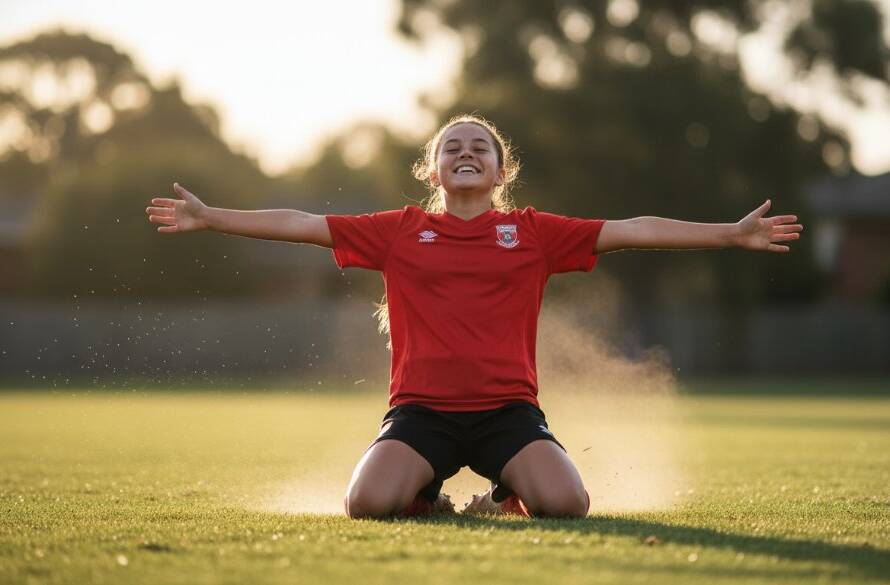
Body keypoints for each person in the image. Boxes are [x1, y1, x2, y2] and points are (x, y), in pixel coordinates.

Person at [145, 114, 802, 519]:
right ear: (433, 169)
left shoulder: (533, 232)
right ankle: (423, 491)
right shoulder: (397, 231)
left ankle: (502, 494)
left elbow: (633, 227)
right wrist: (211, 217)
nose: (466, 151)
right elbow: (300, 222)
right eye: (453, 145)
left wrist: (728, 234)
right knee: (365, 503)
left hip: (508, 415)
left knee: (568, 503)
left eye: (480, 146)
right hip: (420, 415)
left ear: (499, 169)